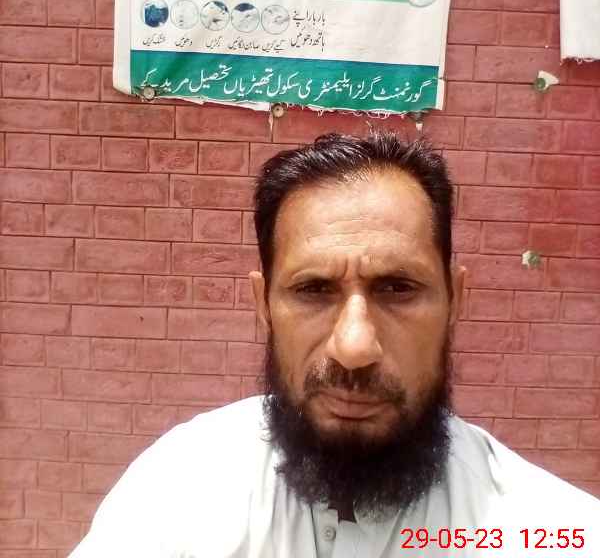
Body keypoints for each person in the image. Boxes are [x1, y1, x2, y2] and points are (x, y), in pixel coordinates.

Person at [69, 133, 600, 557]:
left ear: (455, 299)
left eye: (397, 289)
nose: (354, 347)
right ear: (263, 304)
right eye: (314, 290)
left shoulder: (550, 530)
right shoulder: (176, 491)